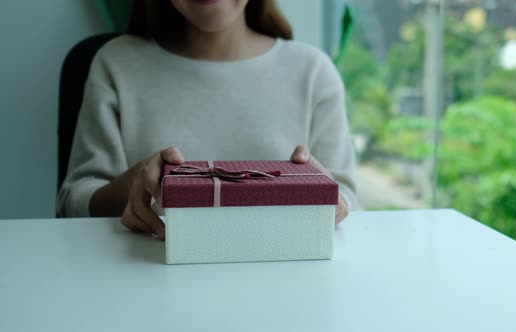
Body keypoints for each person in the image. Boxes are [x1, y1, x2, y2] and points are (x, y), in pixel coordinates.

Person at [57, 0, 357, 240]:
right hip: (145, 278)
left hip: (281, 281)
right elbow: (73, 201)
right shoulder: (116, 64)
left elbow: (346, 198)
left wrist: (328, 198)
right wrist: (131, 188)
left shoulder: (313, 72)